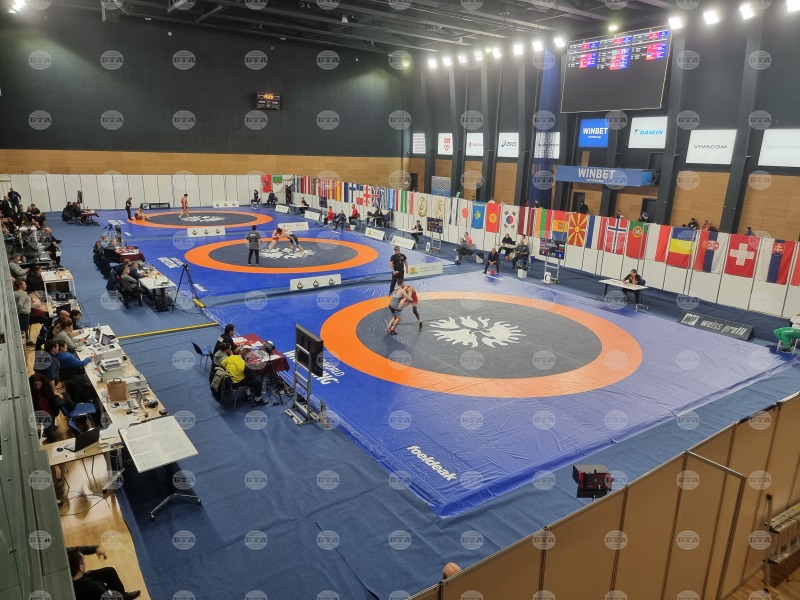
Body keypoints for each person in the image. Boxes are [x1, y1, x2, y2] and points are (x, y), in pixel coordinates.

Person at [67, 547, 141, 600]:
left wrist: (95, 549)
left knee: (109, 572)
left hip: (75, 579)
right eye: (84, 560)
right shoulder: (97, 588)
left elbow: (75, 550)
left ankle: (122, 596)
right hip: (82, 589)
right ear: (80, 567)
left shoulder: (67, 557)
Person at [14, 279, 32, 344]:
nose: (26, 285)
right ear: (20, 286)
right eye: (24, 284)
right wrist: (18, 313)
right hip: (24, 314)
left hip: (21, 314)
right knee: (24, 329)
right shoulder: (23, 294)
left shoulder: (15, 293)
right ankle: (26, 342)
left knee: (22, 329)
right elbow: (20, 304)